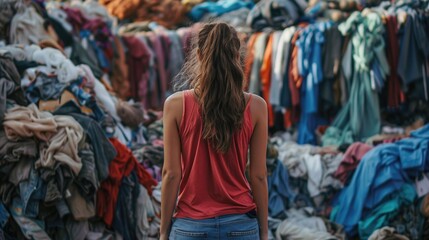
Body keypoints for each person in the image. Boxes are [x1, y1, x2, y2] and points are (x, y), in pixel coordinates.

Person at [160, 22, 268, 240]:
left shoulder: (175, 105)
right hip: (241, 226)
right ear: (237, 55)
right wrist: (264, 232)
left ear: (199, 55)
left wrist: (163, 232)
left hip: (190, 227)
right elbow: (258, 175)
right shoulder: (256, 106)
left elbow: (171, 174)